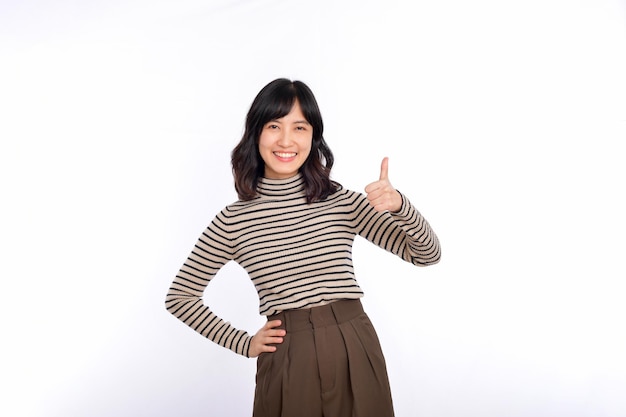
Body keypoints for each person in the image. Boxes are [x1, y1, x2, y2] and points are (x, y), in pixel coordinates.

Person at [165, 78, 441, 417]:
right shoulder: (233, 221)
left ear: (313, 137)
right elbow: (180, 297)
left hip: (354, 344)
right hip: (287, 356)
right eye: (274, 126)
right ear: (256, 134)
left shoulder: (339, 201)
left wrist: (400, 206)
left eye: (299, 127)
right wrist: (244, 342)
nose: (285, 140)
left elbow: (427, 254)